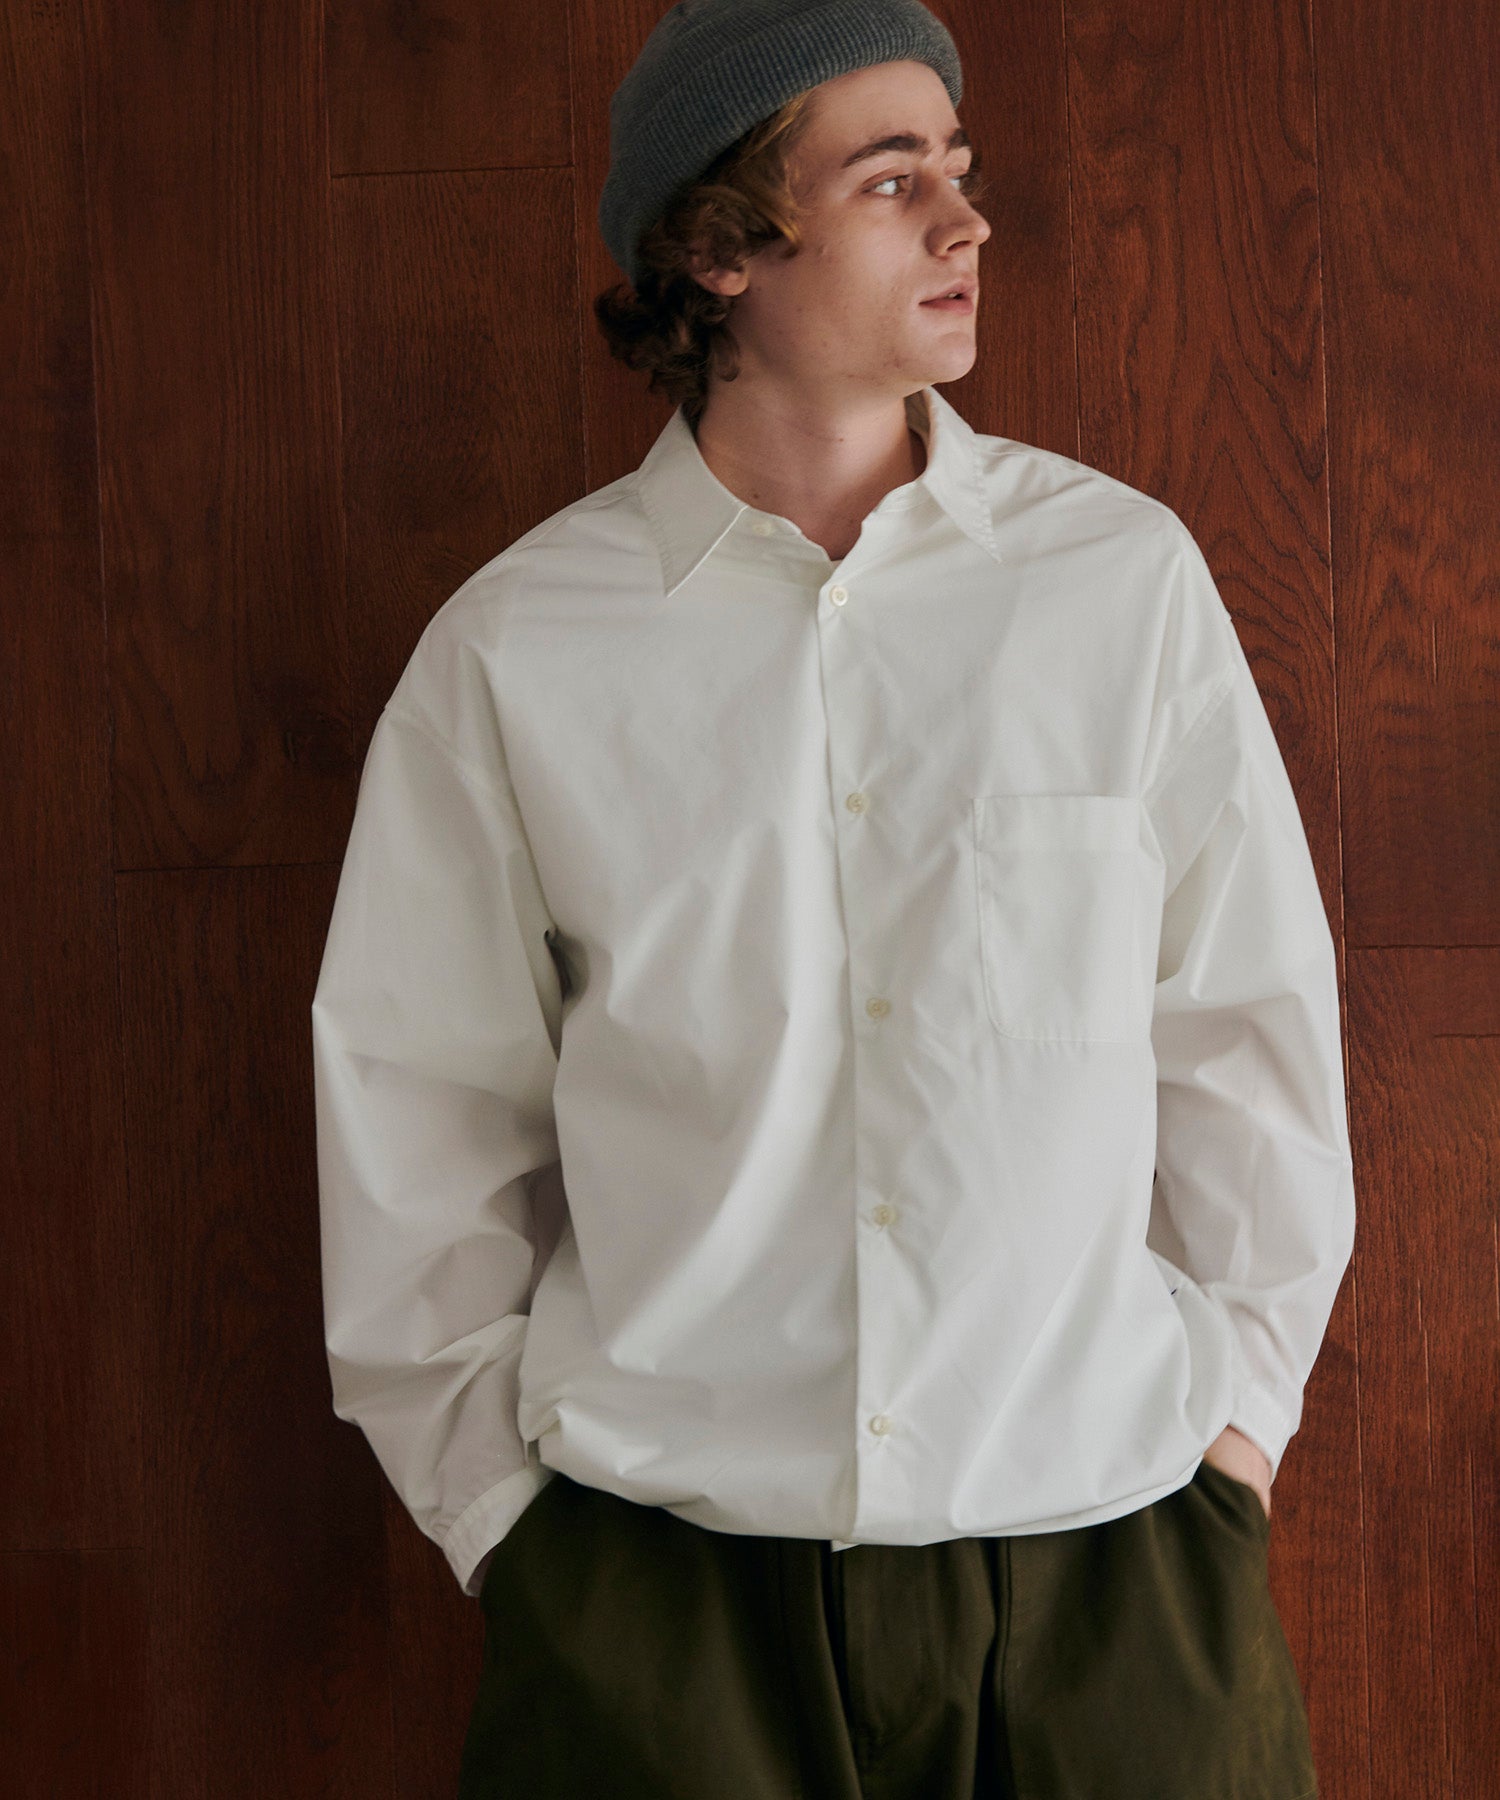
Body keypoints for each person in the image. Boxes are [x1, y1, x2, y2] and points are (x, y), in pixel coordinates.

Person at [311, 2, 1354, 1794]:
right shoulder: (518, 651)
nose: (967, 220)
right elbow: (414, 1113)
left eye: (958, 166)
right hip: (663, 1608)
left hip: (1118, 1573)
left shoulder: (1118, 585)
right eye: (891, 180)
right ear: (720, 248)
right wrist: (515, 1532)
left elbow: (1248, 1032)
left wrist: (1235, 1441)